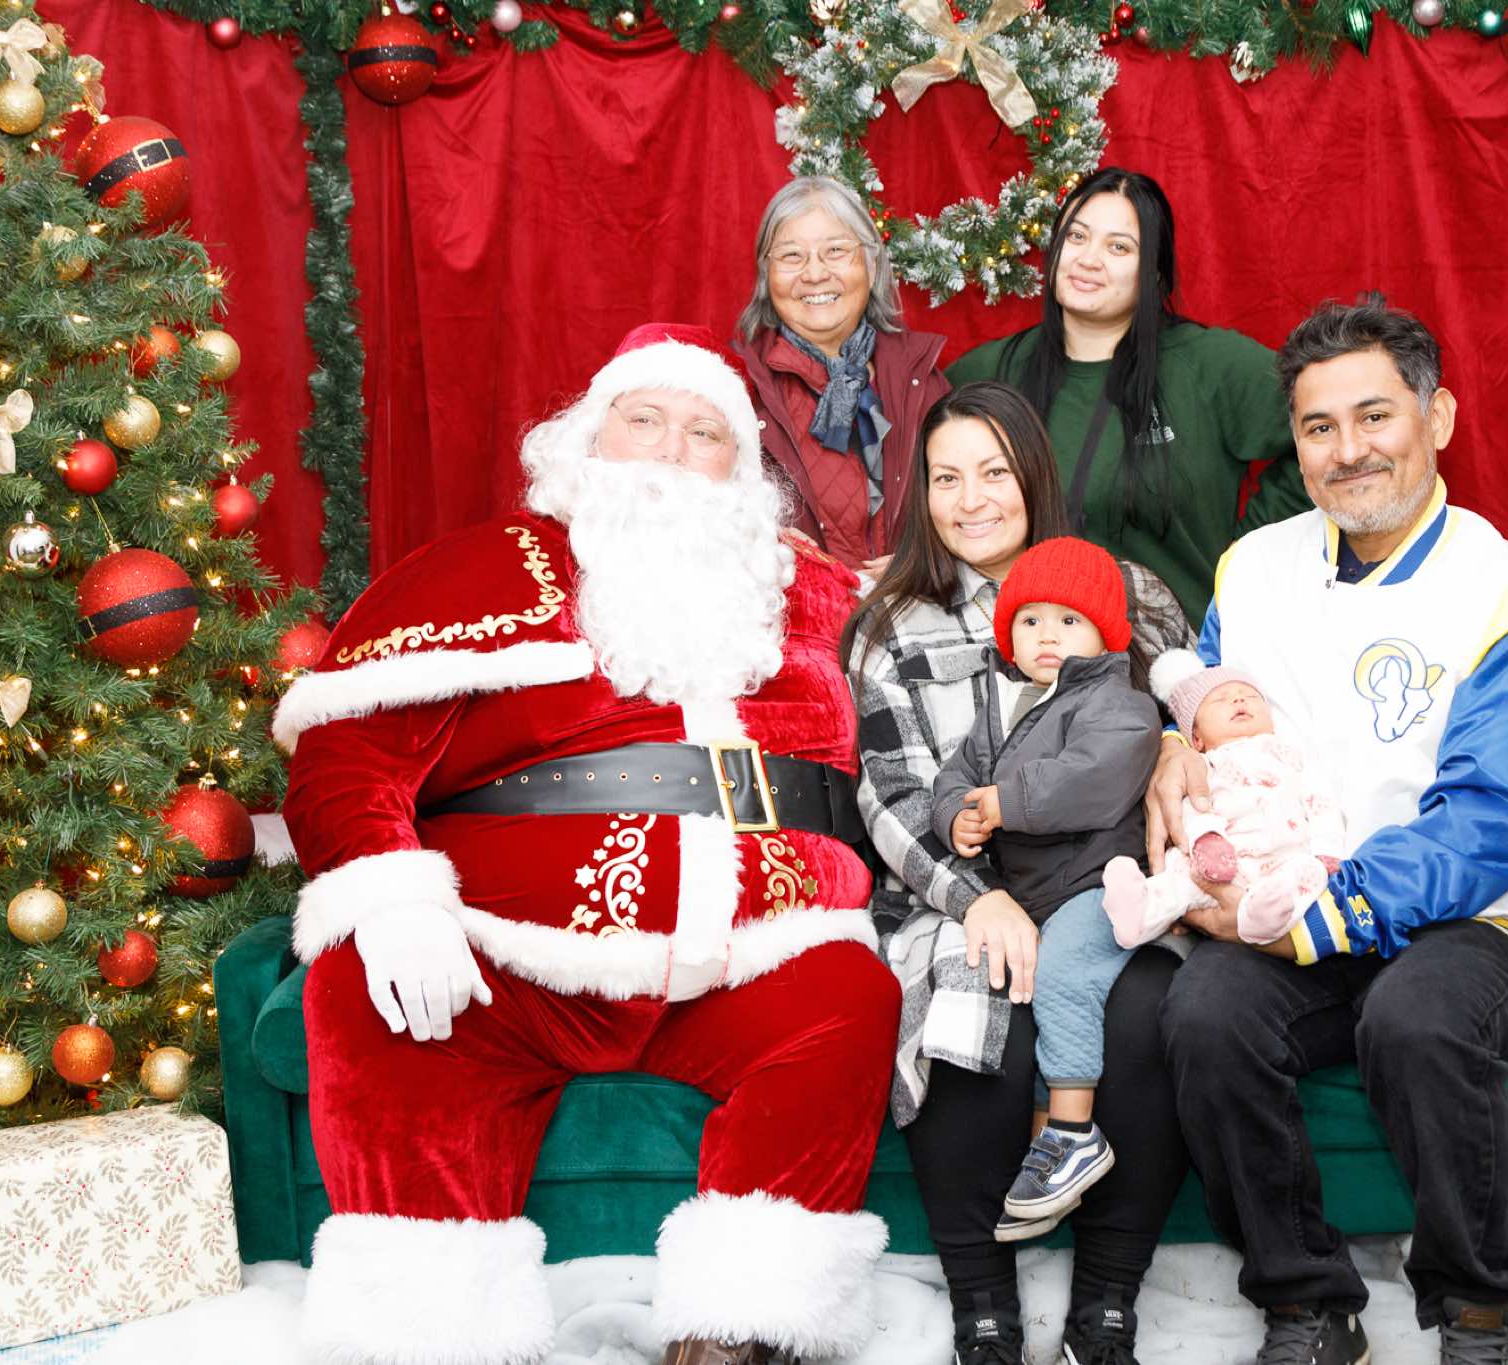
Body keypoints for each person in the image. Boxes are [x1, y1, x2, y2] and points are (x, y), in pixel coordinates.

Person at [275, 324, 900, 1365]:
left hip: (756, 953)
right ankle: (429, 1335)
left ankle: (738, 1332)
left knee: (848, 1000)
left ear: (742, 469)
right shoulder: (482, 567)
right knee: (366, 994)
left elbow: (986, 637)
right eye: (644, 419)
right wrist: (388, 891)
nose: (670, 450)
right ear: (587, 439)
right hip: (514, 958)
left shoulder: (809, 594)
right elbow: (347, 754)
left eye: (704, 432)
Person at [1149, 295, 1508, 1365]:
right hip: (1286, 889)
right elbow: (1208, 708)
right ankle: (1304, 1305)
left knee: (1415, 1018)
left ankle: (1478, 1309)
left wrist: (1322, 912)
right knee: (1204, 1014)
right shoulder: (1253, 567)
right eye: (1318, 427)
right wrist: (1169, 748)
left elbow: (1489, 822)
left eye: (1374, 416)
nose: (1348, 451)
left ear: (1438, 418)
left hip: (1471, 915)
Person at [842, 382, 1193, 1365]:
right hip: (954, 890)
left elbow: (1190, 702)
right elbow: (890, 795)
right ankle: (984, 1315)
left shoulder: (1126, 591)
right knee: (970, 1011)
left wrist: (1175, 746)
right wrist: (977, 897)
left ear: (1034, 476)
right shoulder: (891, 624)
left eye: (994, 472)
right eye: (945, 478)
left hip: (1101, 879)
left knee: (1150, 1010)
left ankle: (1106, 1307)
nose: (971, 500)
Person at [945, 167, 1310, 624]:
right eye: (1076, 237)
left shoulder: (1210, 365)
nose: (1088, 259)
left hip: (1174, 653)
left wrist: (1251, 547)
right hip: (1031, 651)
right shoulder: (988, 373)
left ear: (1153, 272)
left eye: (1118, 247)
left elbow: (1330, 430)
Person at [928, 537, 1162, 1241]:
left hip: (1098, 884)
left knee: (1064, 976)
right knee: (1025, 1006)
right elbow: (954, 774)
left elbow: (1093, 777)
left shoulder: (1120, 703)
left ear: (1105, 633)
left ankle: (1074, 1131)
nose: (1048, 635)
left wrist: (1007, 801)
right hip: (1035, 893)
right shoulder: (1007, 705)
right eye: (1030, 620)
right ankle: (1045, 1154)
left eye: (1069, 620)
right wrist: (955, 816)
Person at [732, 175, 951, 573]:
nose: (815, 274)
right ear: (767, 274)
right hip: (787, 607)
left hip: (909, 606)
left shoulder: (920, 379)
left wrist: (923, 565)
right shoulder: (739, 390)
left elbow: (964, 508)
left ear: (871, 263)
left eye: (835, 251)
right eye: (792, 256)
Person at [1100, 652, 1344, 949]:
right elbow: (1193, 808)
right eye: (1221, 700)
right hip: (1219, 861)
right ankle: (1138, 914)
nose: (1238, 700)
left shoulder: (1289, 754)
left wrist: (1328, 849)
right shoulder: (1201, 765)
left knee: (1309, 874)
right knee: (1182, 881)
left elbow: (1320, 802)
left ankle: (1261, 916)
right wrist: (1207, 839)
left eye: (1250, 696)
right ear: (1197, 738)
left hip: (1283, 856)